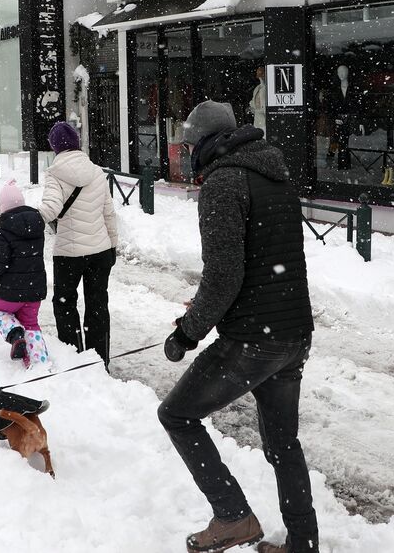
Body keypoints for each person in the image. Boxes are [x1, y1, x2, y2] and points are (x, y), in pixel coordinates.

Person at [158, 101, 318, 553]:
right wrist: (217, 308)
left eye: (189, 144)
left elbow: (224, 275)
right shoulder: (274, 174)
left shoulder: (223, 184)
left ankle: (232, 517)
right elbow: (265, 262)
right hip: (292, 332)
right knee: (284, 443)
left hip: (255, 338)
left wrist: (187, 331)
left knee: (177, 414)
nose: (187, 153)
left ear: (206, 143)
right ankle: (304, 543)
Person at [38, 121, 118, 364]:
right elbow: (108, 213)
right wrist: (113, 246)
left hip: (69, 254)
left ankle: (73, 358)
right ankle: (99, 360)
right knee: (97, 305)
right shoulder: (96, 171)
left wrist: (27, 216)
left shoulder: (55, 173)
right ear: (77, 144)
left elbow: (50, 209)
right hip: (100, 251)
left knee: (65, 304)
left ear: (55, 147)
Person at [0, 181, 50, 368]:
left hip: (10, 291)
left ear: (3, 207)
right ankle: (40, 364)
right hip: (34, 290)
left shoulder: (3, 231)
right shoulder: (37, 227)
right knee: (31, 324)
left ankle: (14, 334)